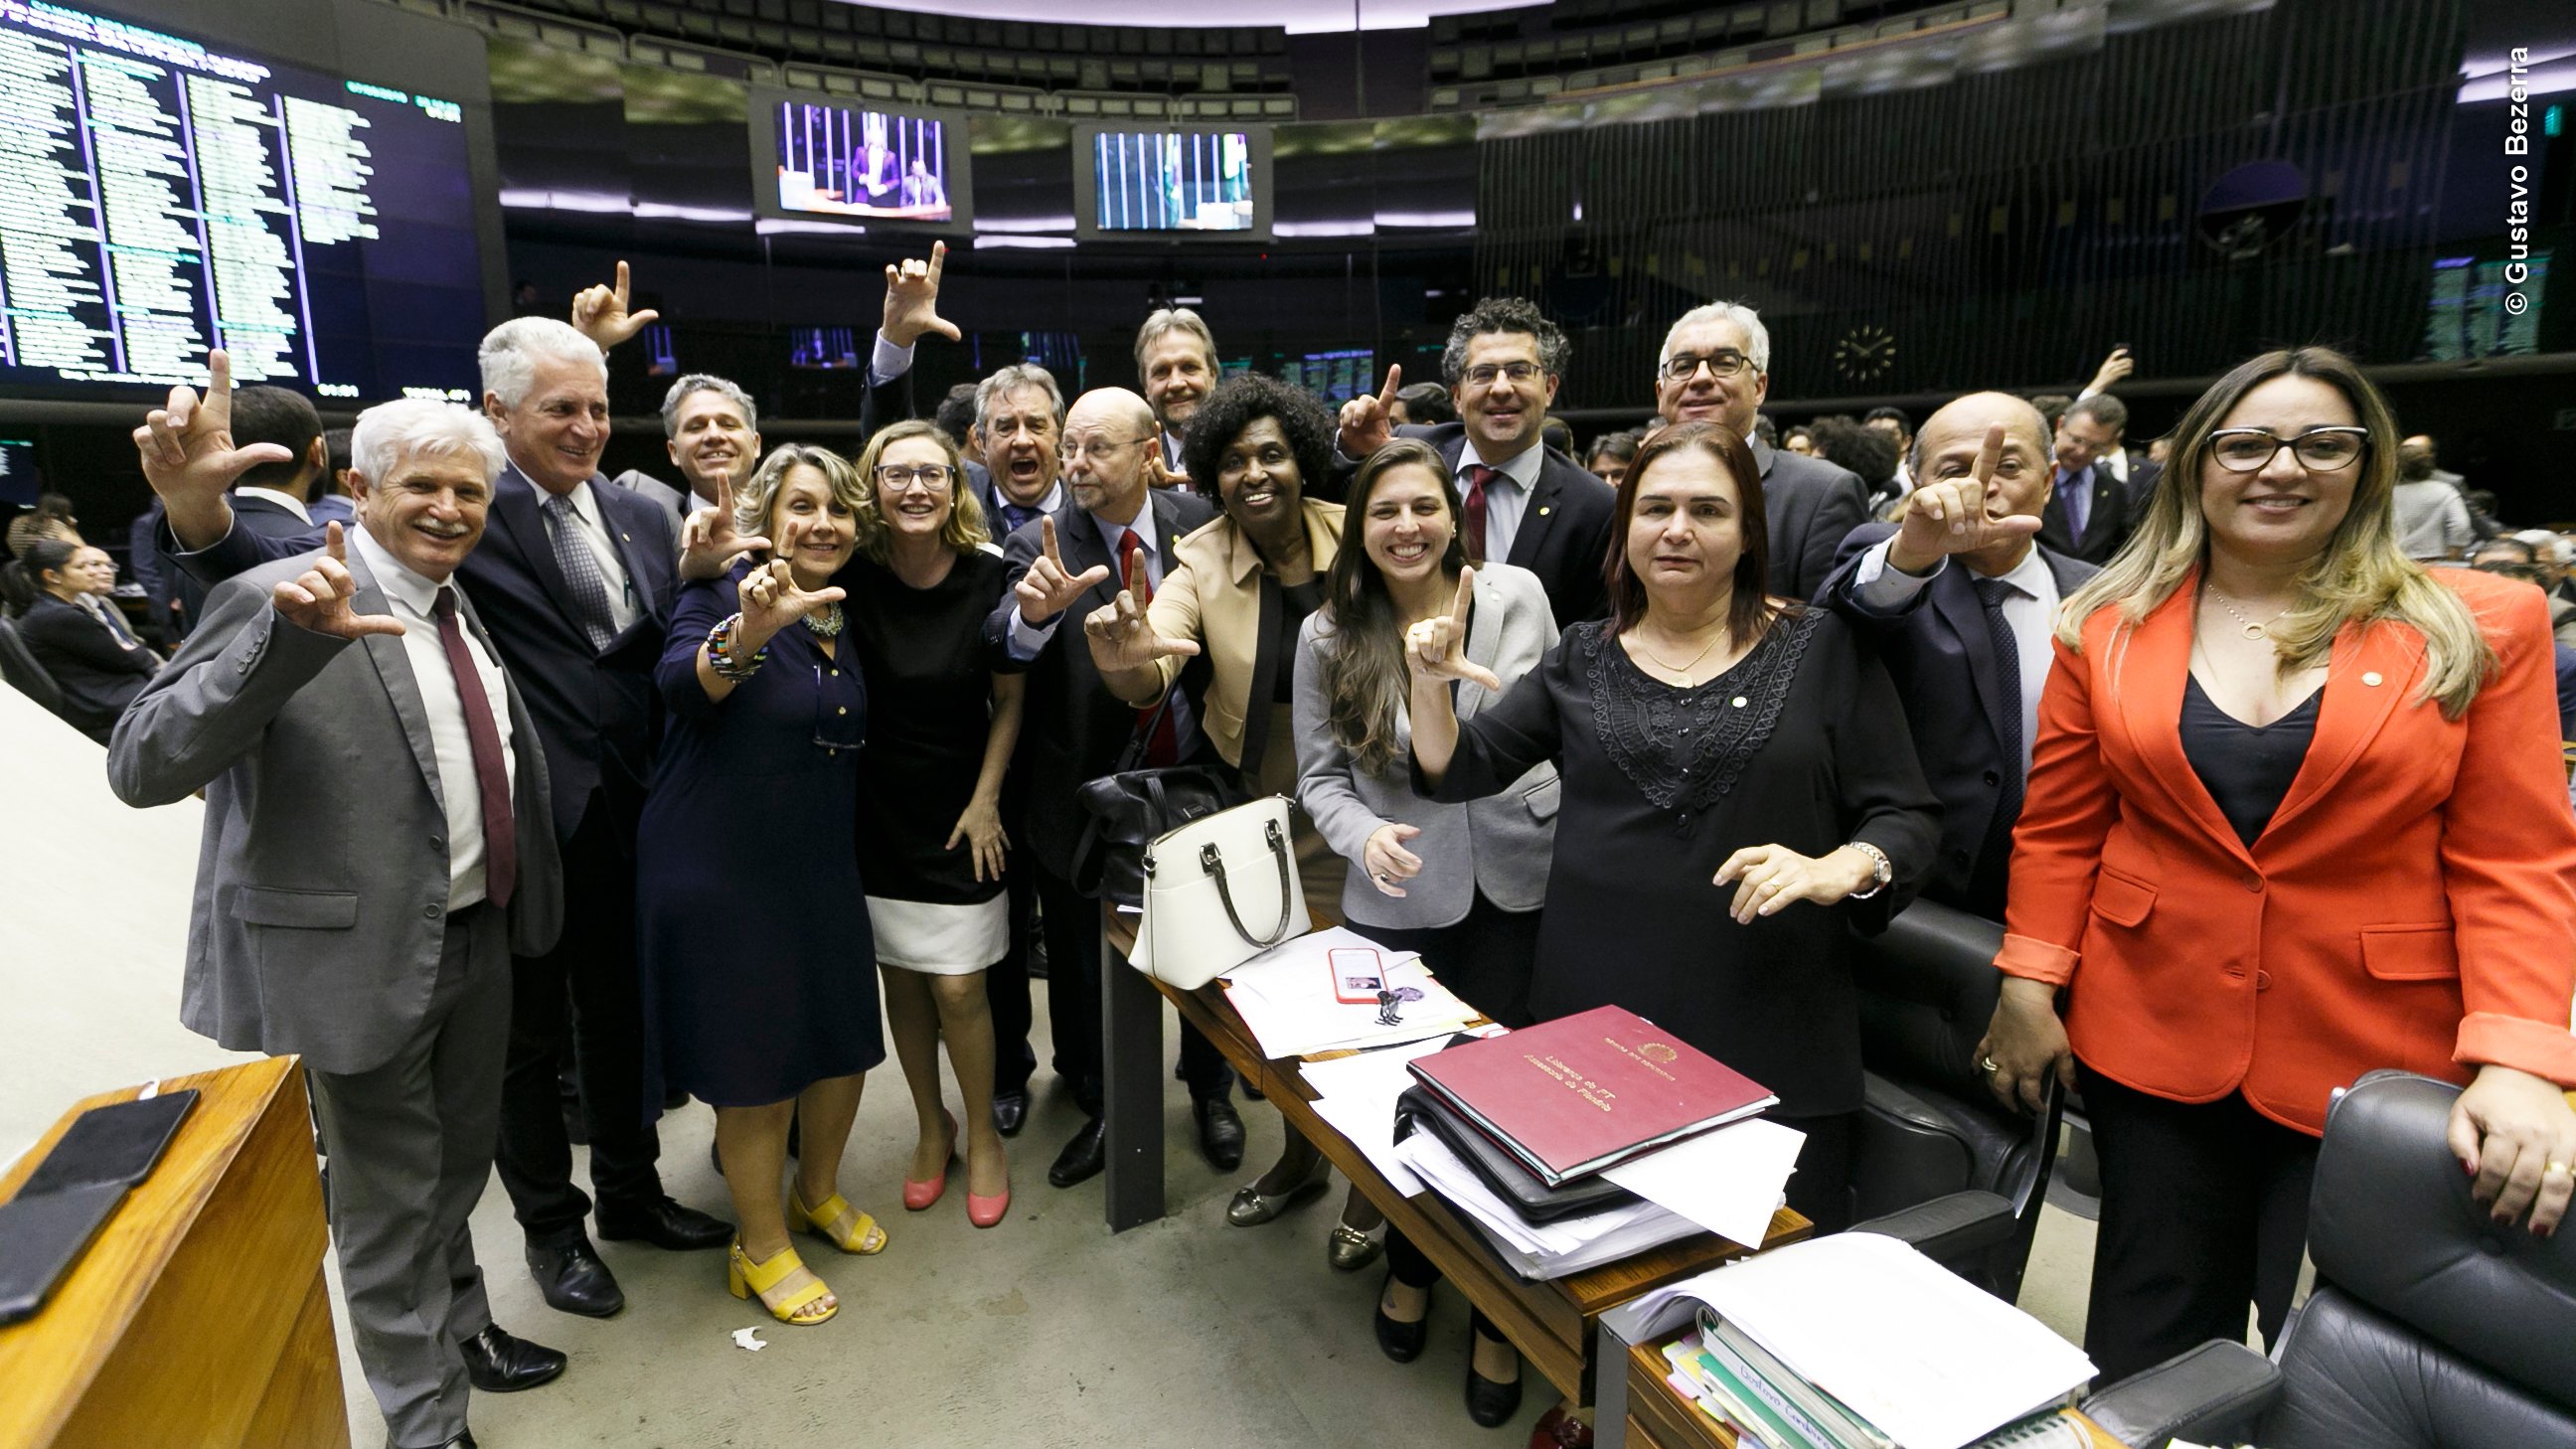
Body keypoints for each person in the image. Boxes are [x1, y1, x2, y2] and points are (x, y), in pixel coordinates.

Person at [1975, 346, 2576, 1387]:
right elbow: (2063, 828)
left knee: (2335, 1369)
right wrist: (2030, 984)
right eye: (2245, 443)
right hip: (2149, 1036)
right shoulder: (2105, 626)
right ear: (2197, 463)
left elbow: (2515, 856)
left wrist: (2522, 1057)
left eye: (2321, 444)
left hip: (2376, 1050)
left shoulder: (2480, 624)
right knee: (2146, 1335)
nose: (2280, 468)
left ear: (2368, 464)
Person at [152, 305, 734, 1320]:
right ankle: (553, 1235)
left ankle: (632, 1196)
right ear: (498, 417)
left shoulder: (646, 515)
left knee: (623, 1020)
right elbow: (269, 561)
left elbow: (651, 658)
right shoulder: (460, 503)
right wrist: (199, 519)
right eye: (560, 409)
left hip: (635, 817)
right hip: (508, 830)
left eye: (599, 408)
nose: (587, 428)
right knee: (521, 1049)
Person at [112, 379, 567, 1449]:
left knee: (451, 1173)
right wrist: (285, 652)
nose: (451, 508)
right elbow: (144, 763)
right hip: (358, 963)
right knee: (385, 1203)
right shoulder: (284, 594)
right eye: (424, 486)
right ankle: (424, 1420)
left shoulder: (455, 601)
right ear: (359, 486)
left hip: (476, 937)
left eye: (469, 490)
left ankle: (461, 1332)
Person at [1406, 420, 1941, 1235]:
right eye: (1654, 508)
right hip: (1595, 1022)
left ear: (1747, 530)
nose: (1678, 529)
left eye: (1707, 510)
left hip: (1769, 1015)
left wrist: (1846, 864)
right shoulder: (1582, 655)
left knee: (1766, 1276)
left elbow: (1906, 813)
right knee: (1601, 1261)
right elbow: (1459, 770)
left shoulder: (1823, 647)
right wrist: (1425, 685)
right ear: (1625, 530)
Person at [1295, 438, 1557, 1427]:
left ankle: (1500, 1311)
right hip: (1400, 899)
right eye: (1383, 511)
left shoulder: (1517, 596)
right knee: (1408, 1107)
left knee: (1514, 1116)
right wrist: (1360, 840)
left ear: (1456, 516)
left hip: (1522, 882)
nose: (1406, 526)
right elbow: (1320, 775)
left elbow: (1539, 726)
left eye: (1423, 507)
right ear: (1358, 531)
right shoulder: (1330, 633)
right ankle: (1411, 1265)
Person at [1085, 371, 1349, 1215]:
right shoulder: (1199, 557)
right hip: (1265, 825)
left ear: (1303, 460)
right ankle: (1305, 1161)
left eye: (1272, 453)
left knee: (1370, 1015)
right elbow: (1160, 652)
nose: (1255, 473)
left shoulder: (1360, 534)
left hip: (1373, 815)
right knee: (1283, 1022)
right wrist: (1131, 664)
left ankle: (1377, 1200)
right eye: (1233, 461)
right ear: (1211, 474)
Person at [638, 442, 889, 1326]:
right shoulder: (721, 592)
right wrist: (748, 632)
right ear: (765, 518)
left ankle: (814, 1193)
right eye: (802, 506)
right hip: (721, 868)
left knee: (847, 1040)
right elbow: (683, 684)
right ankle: (759, 1242)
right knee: (759, 1066)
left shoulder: (842, 612)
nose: (823, 524)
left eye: (839, 510)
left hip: (817, 865)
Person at [985, 387, 1237, 1188]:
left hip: (1195, 779)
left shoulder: (1203, 525)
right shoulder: (1039, 543)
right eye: (1073, 449)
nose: (1077, 464)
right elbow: (1002, 644)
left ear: (1149, 448)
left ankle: (1211, 1091)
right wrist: (1029, 618)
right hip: (1081, 790)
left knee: (1207, 950)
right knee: (1085, 964)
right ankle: (1101, 1103)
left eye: (1098, 448)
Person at [843, 419, 1026, 1229]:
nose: (915, 488)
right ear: (873, 486)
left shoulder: (993, 576)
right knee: (905, 984)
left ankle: (982, 1132)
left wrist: (987, 797)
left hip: (962, 808)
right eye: (897, 473)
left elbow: (1012, 699)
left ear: (956, 487)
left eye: (932, 473)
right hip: (875, 810)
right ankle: (931, 1126)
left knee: (959, 987)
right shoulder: (852, 574)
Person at [1820, 395, 2095, 920]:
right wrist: (1913, 552)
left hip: (2061, 902)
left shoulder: (2098, 593)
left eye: (2008, 466)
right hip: (1905, 900)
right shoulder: (1890, 559)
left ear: (2051, 477)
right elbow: (1842, 621)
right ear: (1916, 481)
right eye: (1953, 471)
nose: (1981, 485)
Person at [1333, 296, 1619, 623]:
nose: (1500, 388)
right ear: (1457, 396)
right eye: (1483, 374)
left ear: (1550, 388)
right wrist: (1353, 447)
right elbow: (1329, 496)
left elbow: (1595, 634)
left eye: (1519, 371)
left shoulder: (1595, 508)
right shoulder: (1411, 451)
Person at [1652, 302, 1870, 597]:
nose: (1700, 378)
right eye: (1683, 366)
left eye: (1725, 362)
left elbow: (1831, 631)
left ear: (1759, 388)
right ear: (1661, 394)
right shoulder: (1632, 490)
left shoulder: (1821, 493)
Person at [5, 539, 159, 742]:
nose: (92, 571)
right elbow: (126, 659)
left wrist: (133, 652)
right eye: (81, 566)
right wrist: (139, 653)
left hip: (94, 697)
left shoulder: (46, 609)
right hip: (105, 704)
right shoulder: (60, 616)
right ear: (52, 576)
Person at [613, 374, 765, 534]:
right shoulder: (651, 529)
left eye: (728, 425)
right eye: (696, 427)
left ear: (755, 444)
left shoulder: (787, 521)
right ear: (674, 452)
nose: (713, 435)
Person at [968, 363, 1069, 542]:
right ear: (982, 442)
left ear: (1061, 438)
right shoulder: (959, 519)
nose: (1022, 441)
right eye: (1006, 428)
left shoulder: (1094, 516)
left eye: (1036, 426)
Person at [2038, 394, 2142, 564]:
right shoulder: (2027, 474)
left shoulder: (2114, 489)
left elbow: (2119, 550)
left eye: (2096, 446)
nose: (2082, 452)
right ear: (2060, 426)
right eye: (2077, 440)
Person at [1135, 307, 1218, 477]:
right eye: (1161, 371)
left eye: (1189, 367)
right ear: (1146, 387)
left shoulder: (1246, 457)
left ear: (1212, 376)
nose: (1176, 383)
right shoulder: (1136, 469)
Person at [2391, 441, 2475, 561]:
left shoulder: (2384, 495)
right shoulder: (2445, 490)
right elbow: (2460, 524)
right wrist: (2454, 551)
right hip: (2434, 558)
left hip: (2394, 558)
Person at [4, 491, 78, 557]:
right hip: (52, 567)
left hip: (23, 566)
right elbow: (80, 549)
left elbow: (8, 540)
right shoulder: (55, 525)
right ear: (59, 511)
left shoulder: (17, 521)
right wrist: (71, 528)